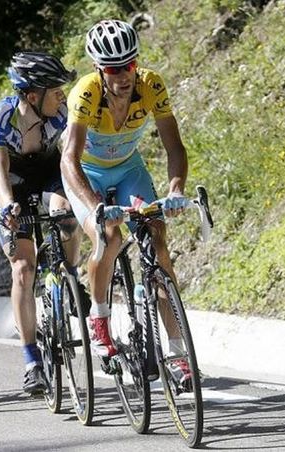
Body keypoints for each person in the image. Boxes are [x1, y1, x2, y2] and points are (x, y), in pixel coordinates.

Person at [61, 20, 191, 383]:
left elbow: (174, 146)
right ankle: (99, 318)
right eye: (113, 69)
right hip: (87, 173)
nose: (123, 75)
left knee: (158, 245)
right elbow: (69, 158)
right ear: (98, 70)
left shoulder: (151, 85)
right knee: (110, 237)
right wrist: (94, 204)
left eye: (129, 65)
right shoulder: (85, 93)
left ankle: (178, 352)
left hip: (129, 168)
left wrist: (176, 189)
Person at [0, 52, 84, 394]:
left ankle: (70, 275)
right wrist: (7, 204)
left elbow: (76, 155)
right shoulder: (2, 117)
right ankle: (31, 362)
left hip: (49, 171)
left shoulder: (63, 112)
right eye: (56, 91)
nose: (62, 96)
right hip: (14, 181)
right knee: (23, 270)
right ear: (32, 95)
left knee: (67, 215)